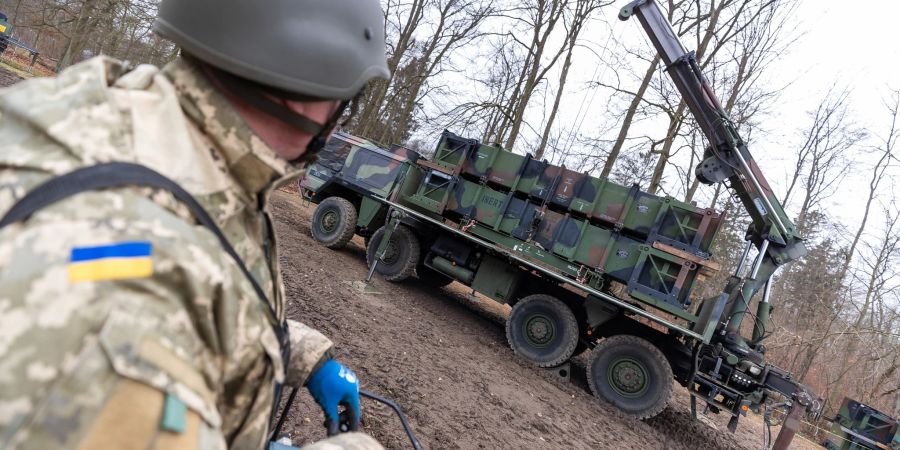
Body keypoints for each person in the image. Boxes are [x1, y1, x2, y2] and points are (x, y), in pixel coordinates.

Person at [0, 0, 389, 449]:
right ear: (304, 83)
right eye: (346, 100)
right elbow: (139, 294)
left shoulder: (137, 118)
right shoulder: (117, 308)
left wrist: (298, 351)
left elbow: (183, 276)